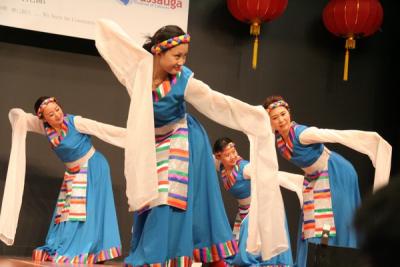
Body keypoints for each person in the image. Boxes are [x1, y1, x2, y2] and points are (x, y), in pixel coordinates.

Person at [95, 19, 289, 267]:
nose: (181, 62)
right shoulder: (138, 75)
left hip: (183, 139)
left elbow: (218, 102)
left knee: (168, 195)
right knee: (151, 195)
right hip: (153, 141)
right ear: (158, 51)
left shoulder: (183, 81)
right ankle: (160, 252)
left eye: (184, 56)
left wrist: (256, 116)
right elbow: (113, 44)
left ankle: (165, 256)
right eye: (176, 55)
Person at [263, 95, 392, 267]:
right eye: (275, 117)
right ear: (269, 122)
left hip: (336, 172)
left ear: (289, 113)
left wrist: (371, 142)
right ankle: (318, 261)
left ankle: (342, 261)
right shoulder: (279, 142)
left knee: (335, 220)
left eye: (283, 114)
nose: (281, 119)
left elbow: (334, 135)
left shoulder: (303, 134)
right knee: (311, 223)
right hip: (314, 179)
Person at [0, 96, 126, 264]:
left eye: (57, 109)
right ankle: (77, 247)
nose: (57, 115)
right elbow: (18, 116)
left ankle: (88, 250)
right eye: (51, 114)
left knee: (87, 211)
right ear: (43, 118)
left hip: (93, 166)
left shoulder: (76, 122)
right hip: (73, 172)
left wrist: (136, 138)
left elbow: (104, 130)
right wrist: (18, 116)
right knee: (68, 211)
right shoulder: (44, 128)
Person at [213, 137, 303, 266]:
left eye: (234, 151)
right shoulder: (221, 167)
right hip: (243, 213)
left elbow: (272, 175)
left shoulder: (244, 168)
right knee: (243, 252)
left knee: (249, 255)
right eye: (227, 155)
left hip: (256, 212)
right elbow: (204, 154)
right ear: (218, 156)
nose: (233, 156)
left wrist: (299, 183)